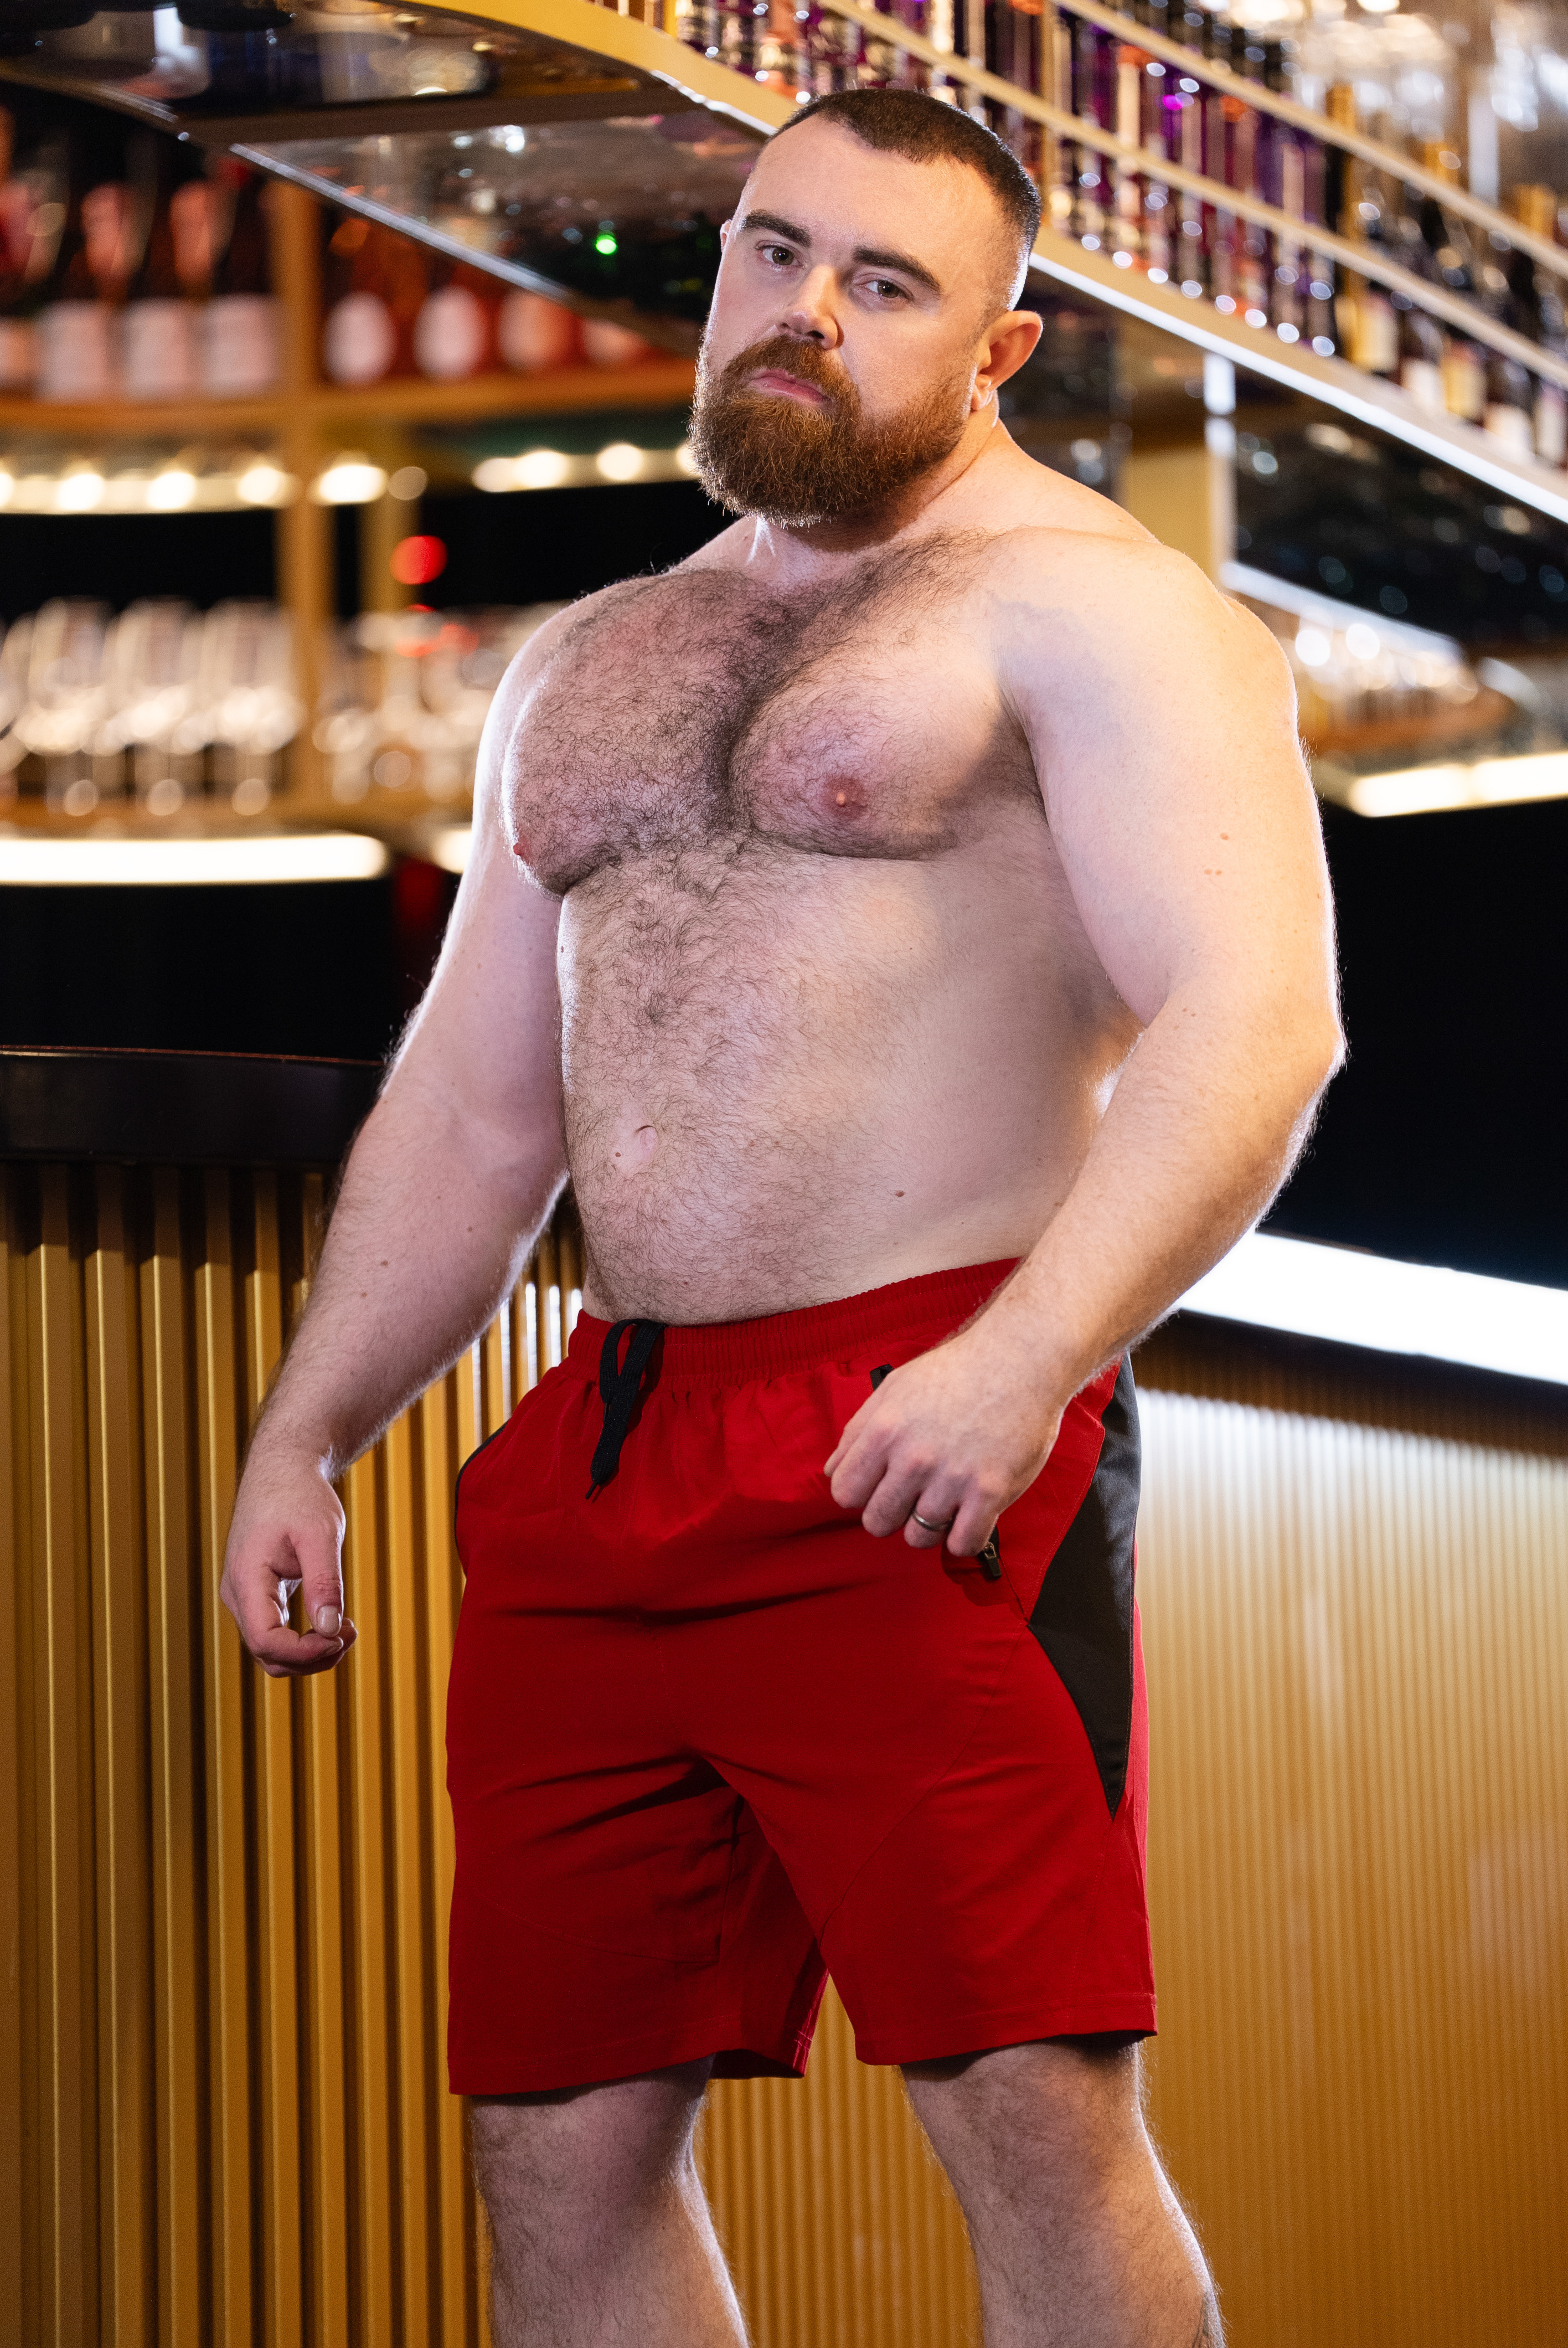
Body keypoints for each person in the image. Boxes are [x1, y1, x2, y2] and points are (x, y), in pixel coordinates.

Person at [222, 86, 1342, 2348]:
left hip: (927, 1427)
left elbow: (1259, 1025)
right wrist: (306, 1429)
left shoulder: (1106, 616)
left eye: (886, 283)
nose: (808, 313)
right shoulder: (594, 653)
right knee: (555, 2140)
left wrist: (1024, 1361)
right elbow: (474, 1108)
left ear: (1000, 352)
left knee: (1027, 2110)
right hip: (612, 1450)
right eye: (773, 252)